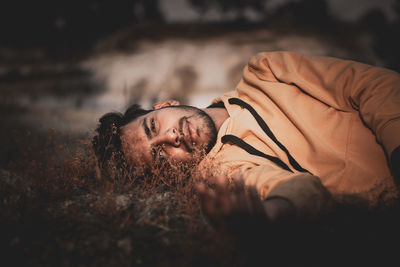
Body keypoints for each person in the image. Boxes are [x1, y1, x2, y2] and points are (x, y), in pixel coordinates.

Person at [92, 51, 400, 224]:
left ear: (165, 105)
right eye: (159, 154)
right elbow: (297, 191)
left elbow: (371, 85)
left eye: (153, 127)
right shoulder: (222, 173)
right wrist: (270, 214)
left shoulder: (266, 71)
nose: (171, 137)